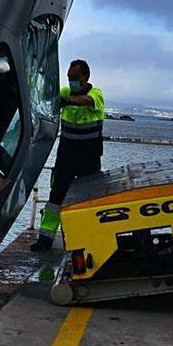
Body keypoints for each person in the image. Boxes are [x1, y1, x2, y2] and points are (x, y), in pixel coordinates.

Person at [33, 59, 104, 251]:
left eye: (75, 77)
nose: (71, 81)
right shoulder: (64, 92)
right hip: (66, 157)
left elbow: (87, 101)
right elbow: (49, 97)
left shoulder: (95, 94)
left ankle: (83, 241)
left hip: (88, 159)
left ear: (85, 77)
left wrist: (68, 101)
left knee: (87, 200)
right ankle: (45, 239)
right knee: (55, 198)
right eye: (69, 77)